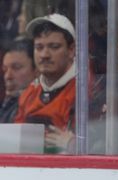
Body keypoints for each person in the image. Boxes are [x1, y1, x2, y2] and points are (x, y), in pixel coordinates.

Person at [14, 13, 78, 153]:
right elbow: (14, 143)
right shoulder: (29, 94)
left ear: (71, 50)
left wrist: (75, 145)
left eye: (54, 47)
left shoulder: (88, 91)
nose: (44, 55)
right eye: (39, 47)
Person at [0, 38, 37, 123]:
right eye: (5, 69)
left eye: (16, 68)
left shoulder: (39, 108)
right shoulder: (5, 105)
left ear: (37, 70)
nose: (8, 76)